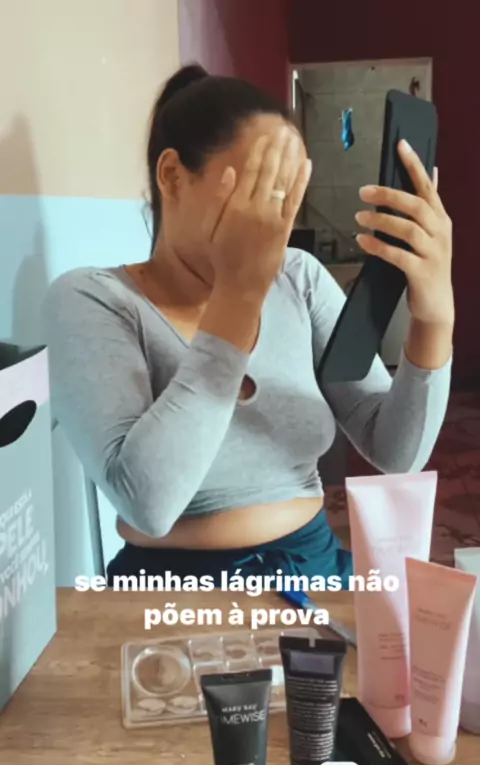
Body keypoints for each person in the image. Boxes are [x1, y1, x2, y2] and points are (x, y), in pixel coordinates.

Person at [44, 65, 454, 590]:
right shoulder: (93, 299)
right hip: (171, 593)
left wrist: (434, 319)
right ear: (172, 176)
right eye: (258, 195)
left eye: (287, 198)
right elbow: (148, 502)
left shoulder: (299, 279)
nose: (273, 225)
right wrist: (238, 298)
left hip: (313, 570)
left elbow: (397, 450)